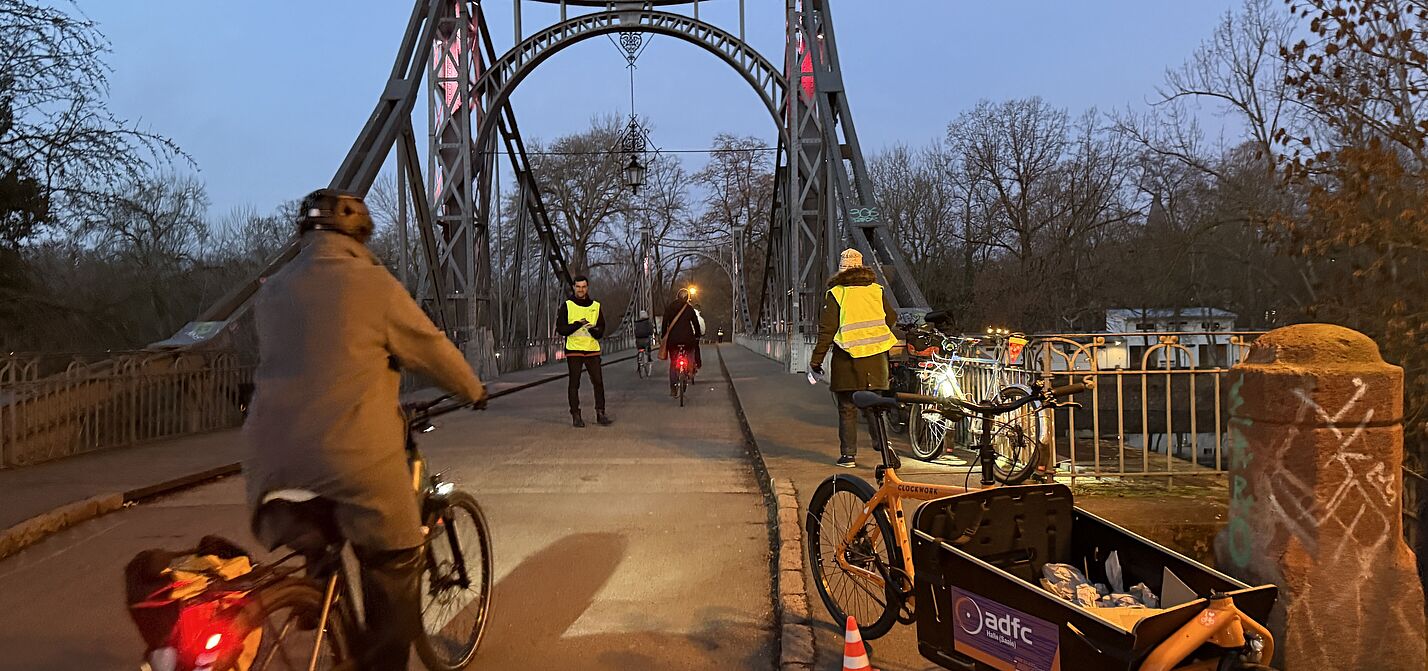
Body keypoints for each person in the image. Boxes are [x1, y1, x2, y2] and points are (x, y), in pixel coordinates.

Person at [244, 188, 488, 670]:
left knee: (321, 543)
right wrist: (473, 389)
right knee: (394, 563)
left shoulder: (270, 290)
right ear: (359, 237)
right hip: (351, 462)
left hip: (268, 469)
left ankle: (320, 607)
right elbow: (430, 347)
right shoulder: (371, 284)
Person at [808, 248, 899, 468]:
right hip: (876, 361)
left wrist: (816, 361)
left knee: (847, 408)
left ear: (841, 269)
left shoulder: (837, 293)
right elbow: (892, 318)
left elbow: (827, 331)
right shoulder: (876, 290)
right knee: (873, 407)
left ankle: (848, 455)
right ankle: (884, 450)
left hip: (847, 361)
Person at [556, 275, 612, 427]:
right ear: (574, 287)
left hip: (592, 350)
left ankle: (600, 413)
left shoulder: (596, 306)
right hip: (574, 350)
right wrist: (576, 325)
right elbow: (561, 329)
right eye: (578, 287)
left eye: (583, 287)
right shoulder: (567, 306)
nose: (581, 290)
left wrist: (594, 330)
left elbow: (601, 330)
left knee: (598, 383)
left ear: (587, 288)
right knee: (574, 383)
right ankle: (575, 415)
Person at [661, 288, 703, 397]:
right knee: (690, 354)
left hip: (673, 340)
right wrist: (697, 335)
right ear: (687, 298)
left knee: (673, 363)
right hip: (687, 339)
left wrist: (663, 335)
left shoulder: (670, 307)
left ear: (677, 296)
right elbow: (695, 324)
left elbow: (665, 322)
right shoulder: (689, 309)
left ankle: (673, 387)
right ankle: (689, 371)